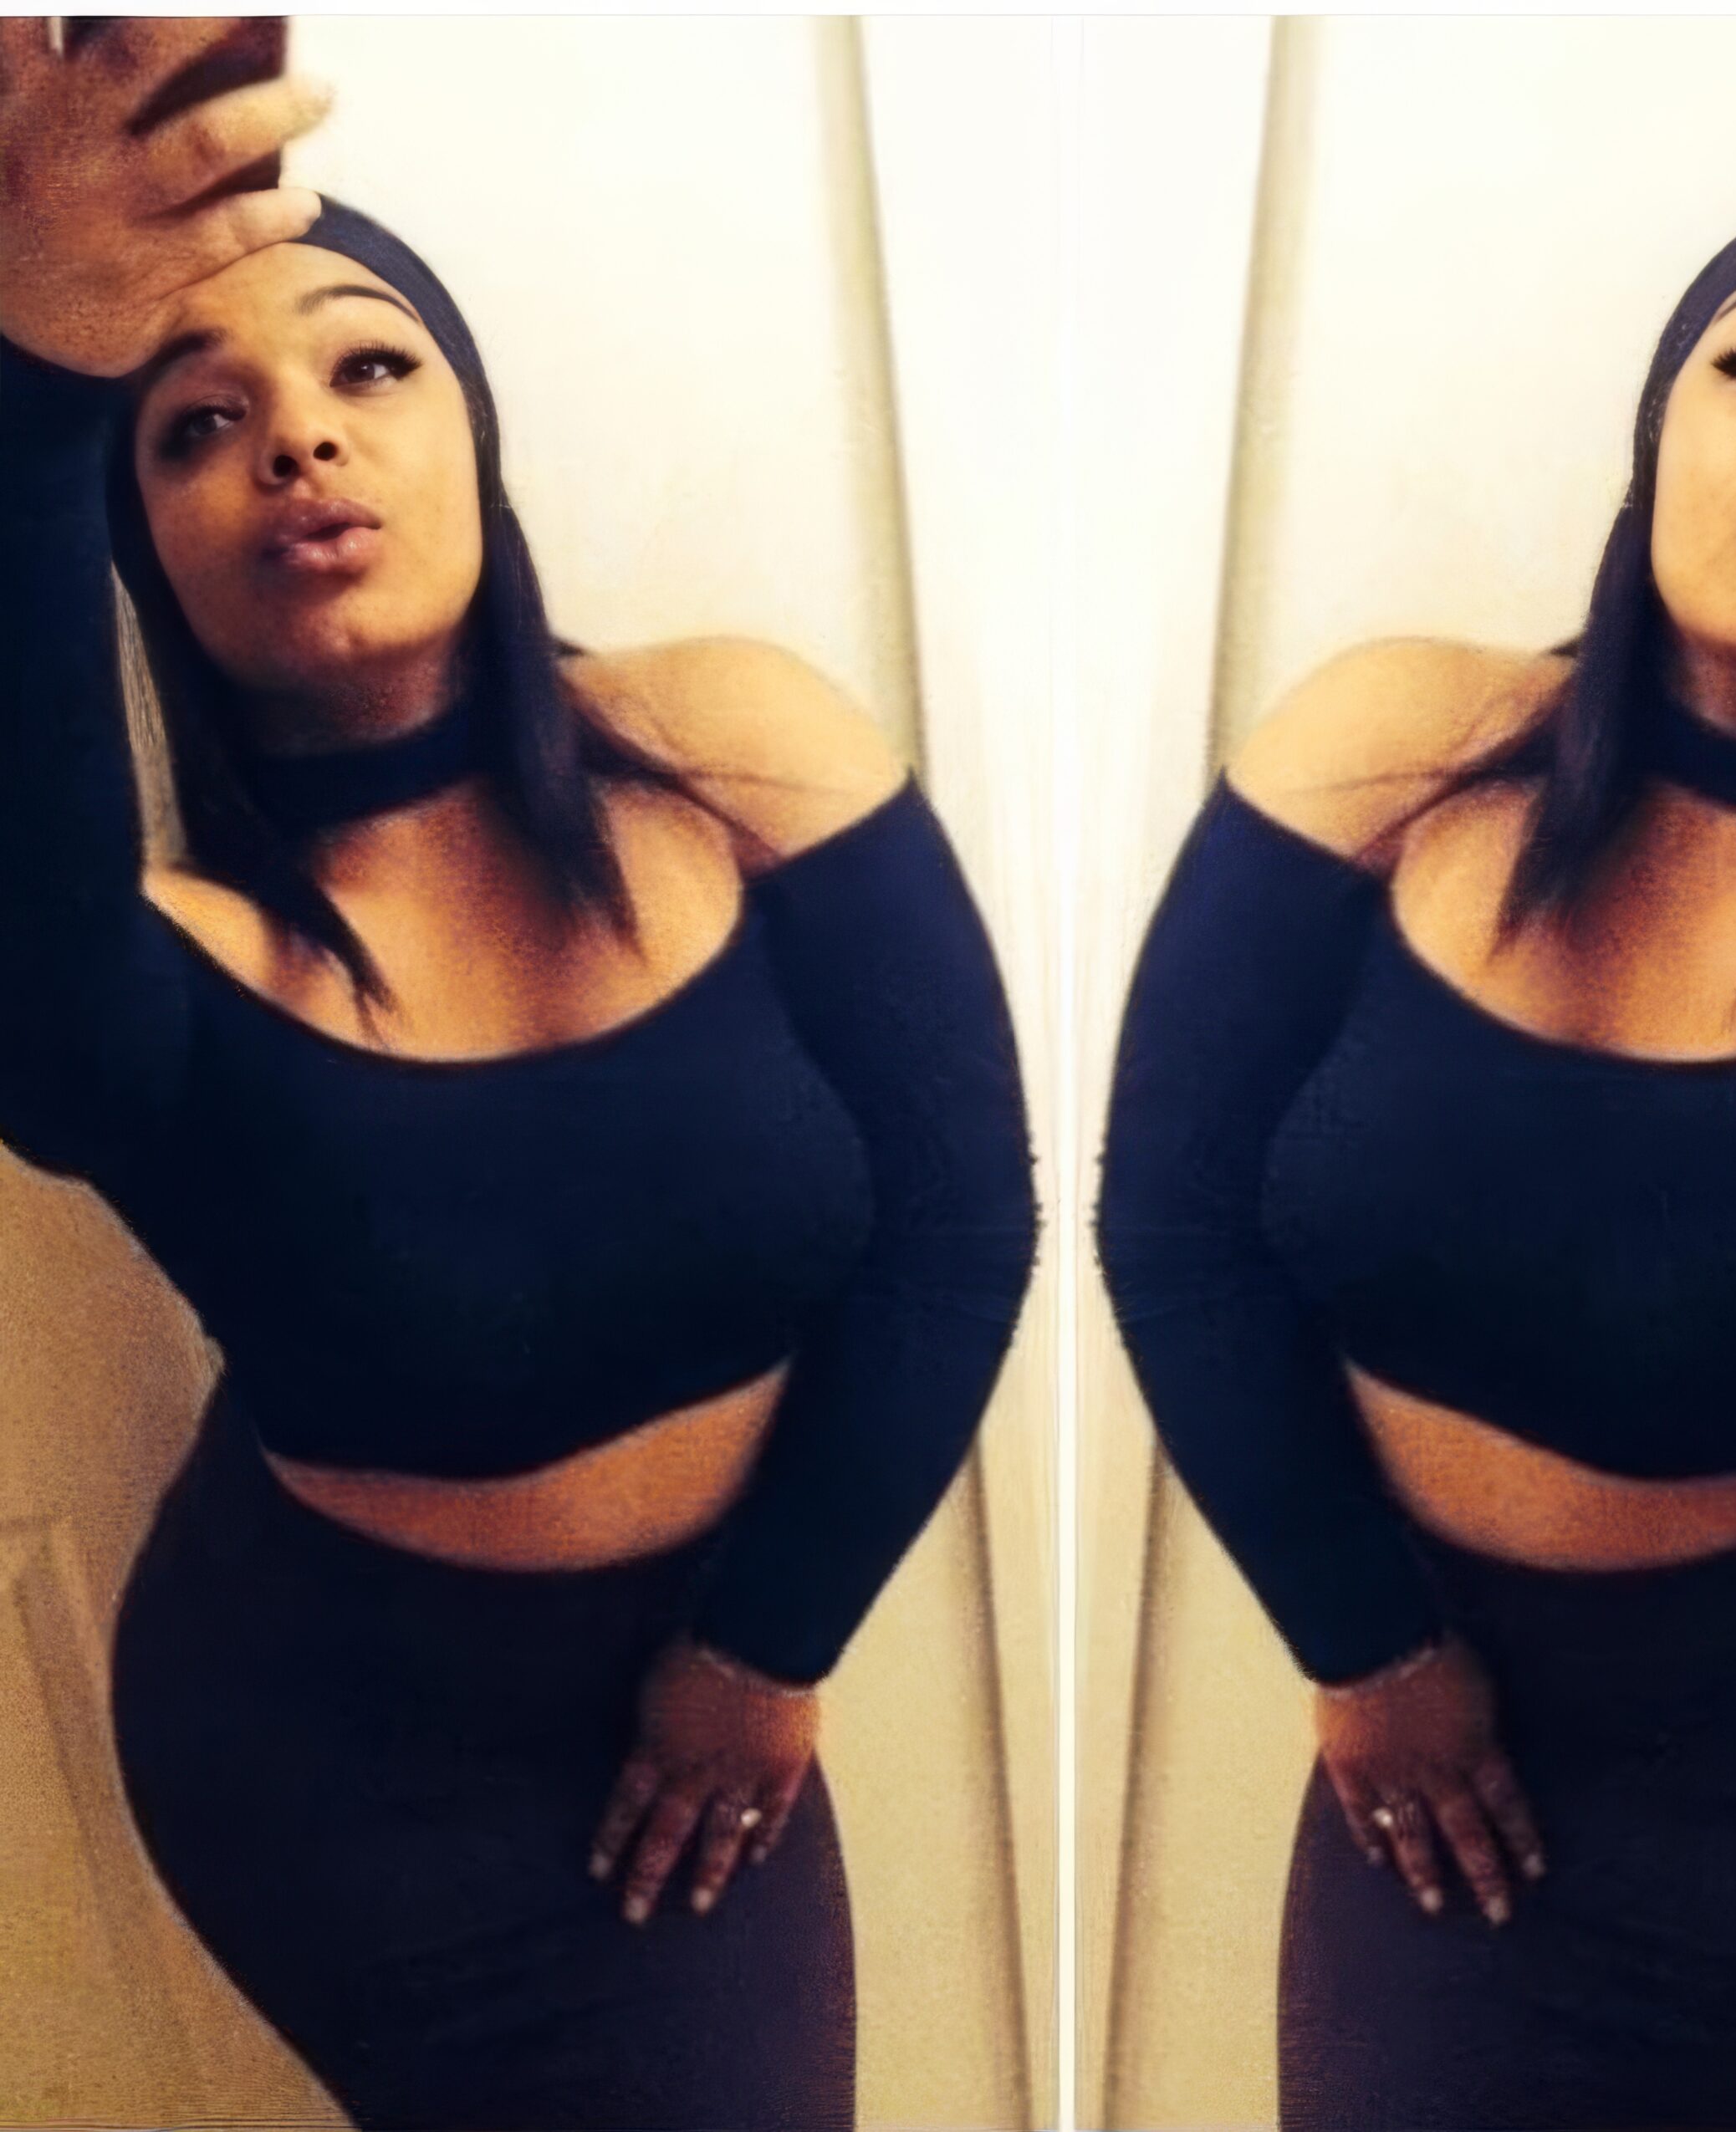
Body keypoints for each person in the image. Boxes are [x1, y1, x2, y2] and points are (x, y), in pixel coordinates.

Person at [1096, 20, 1736, 2129]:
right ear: (1655, 437)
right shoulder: (1393, 752)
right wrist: (1365, 1651)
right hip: (1418, 1714)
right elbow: (1170, 1229)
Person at [0, 23, 1038, 2131]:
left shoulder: (736, 749)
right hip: (319, 1762)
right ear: (135, 543)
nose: (301, 440)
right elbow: (45, 1039)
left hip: (708, 1718)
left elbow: (961, 1228)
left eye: (370, 368)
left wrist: (765, 1648)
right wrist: (34, 386)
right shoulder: (174, 971)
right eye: (196, 424)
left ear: (474, 439)